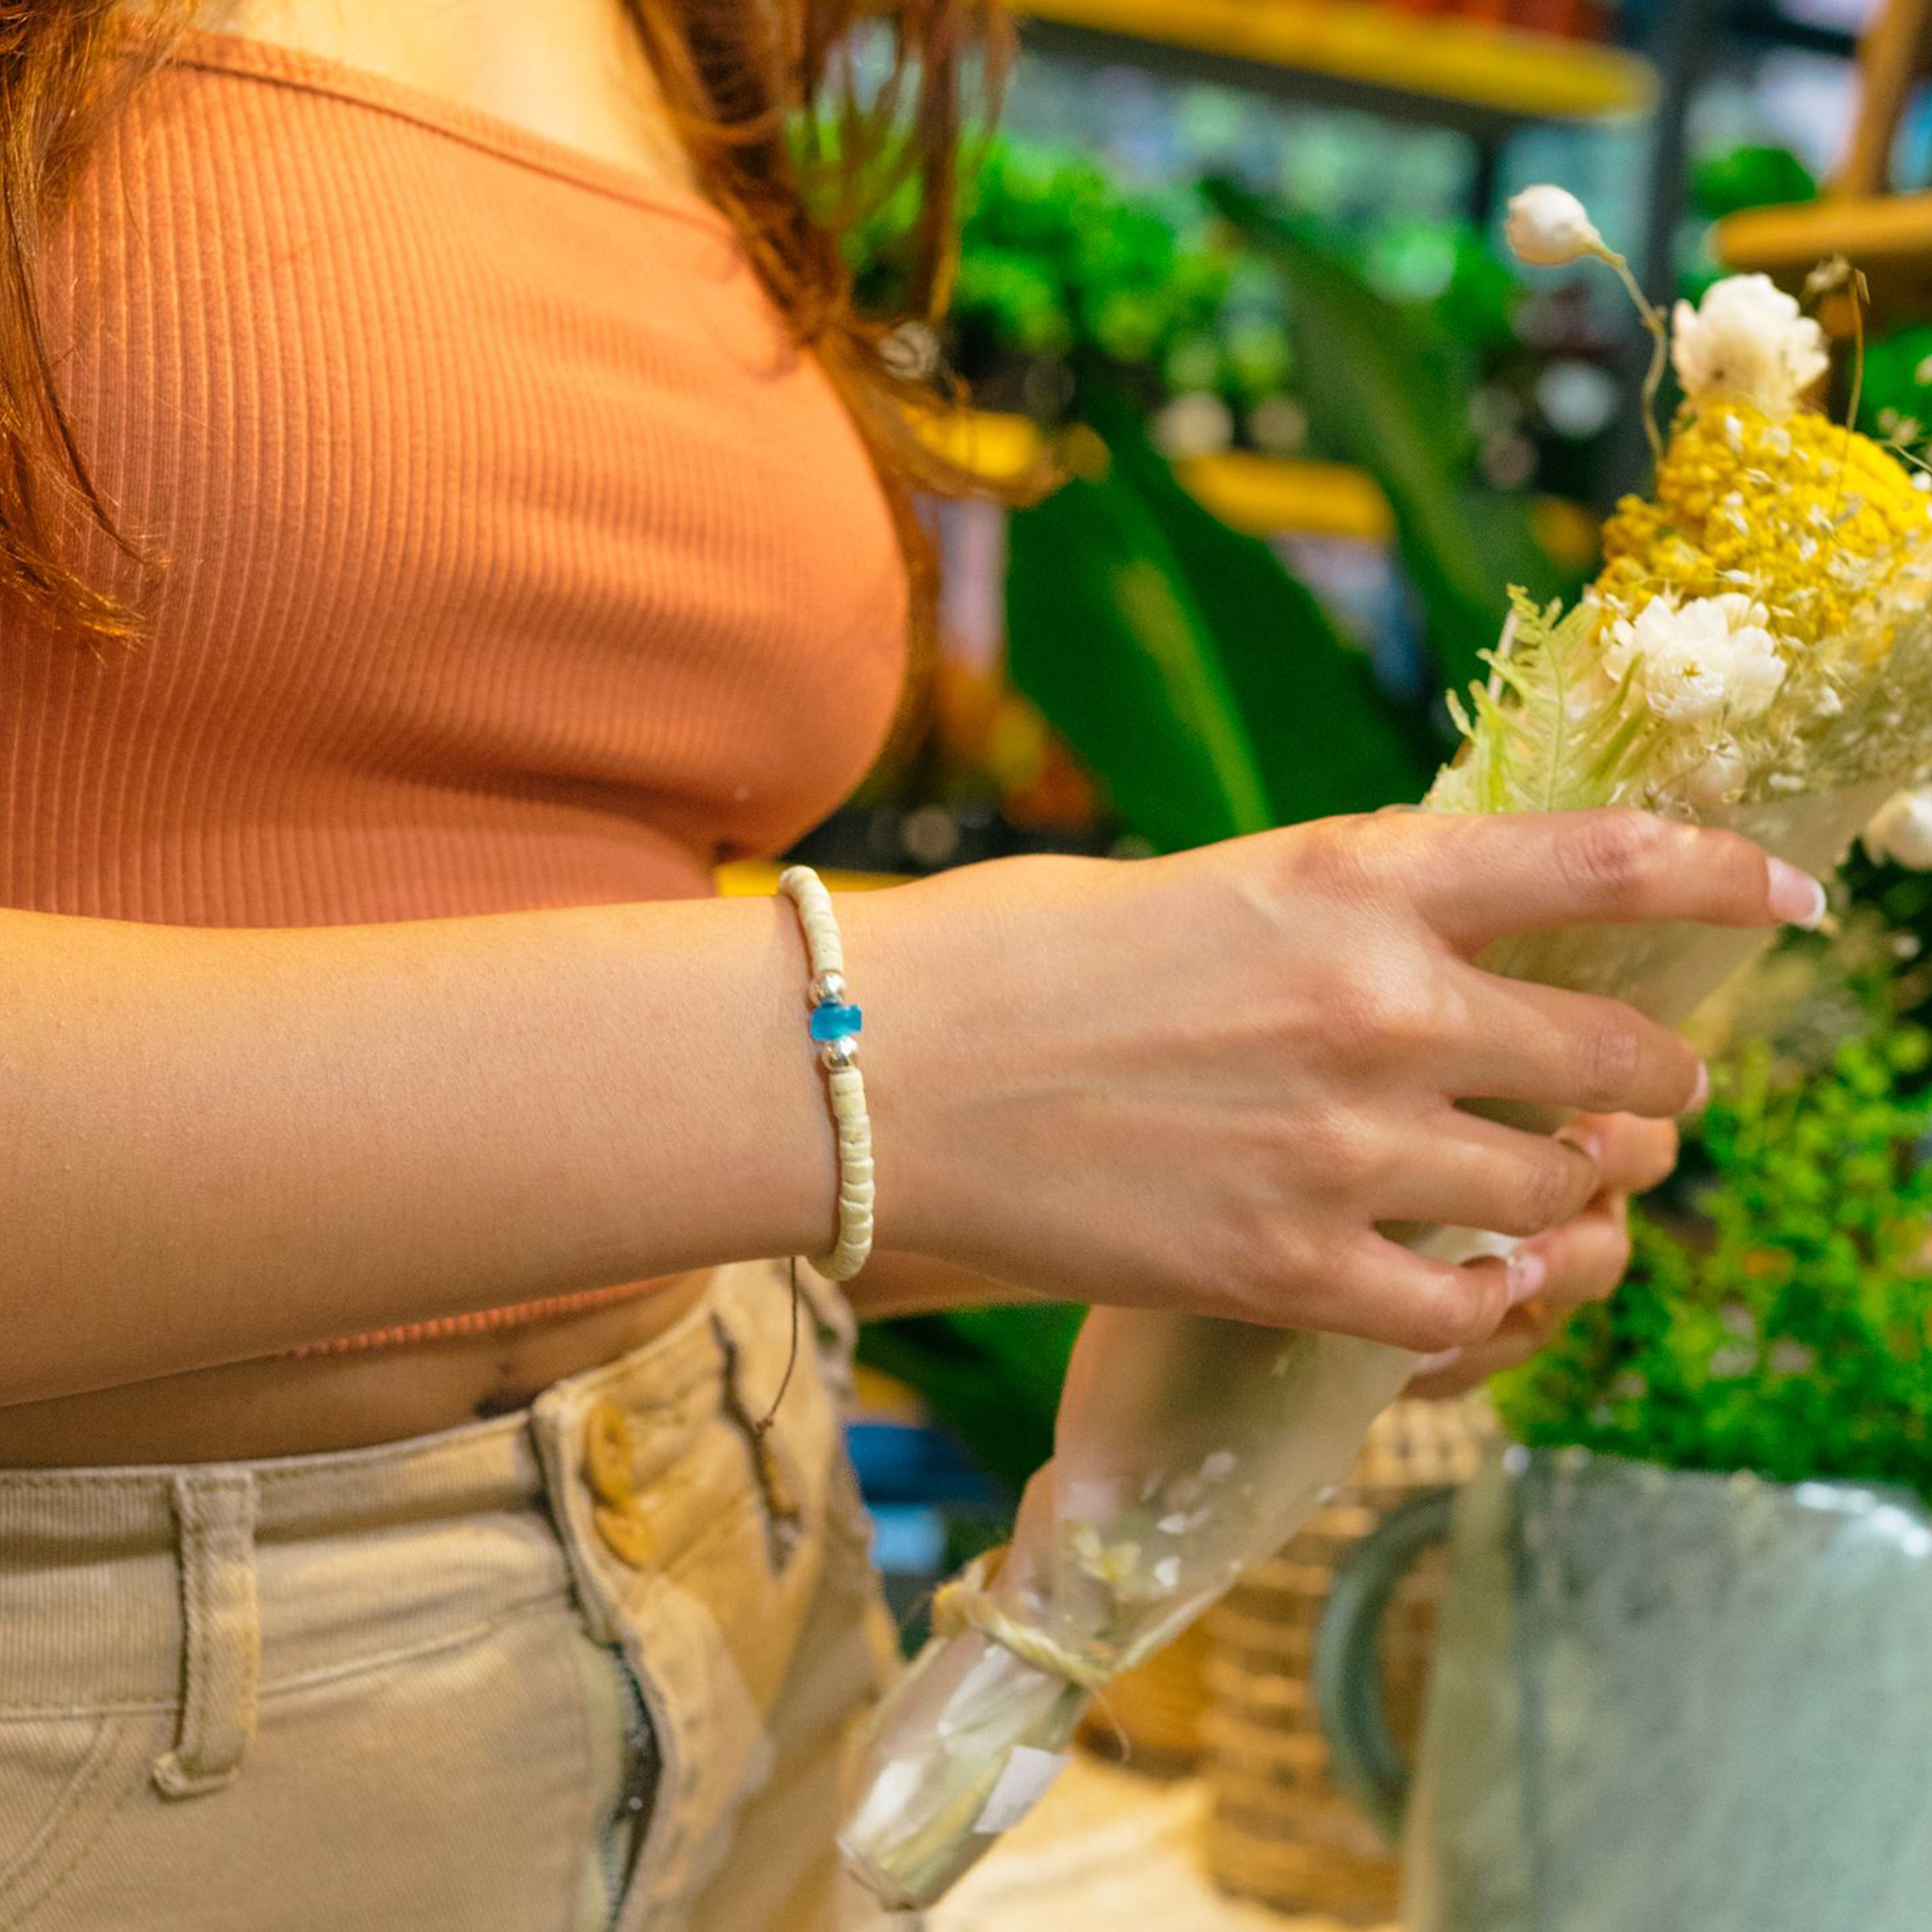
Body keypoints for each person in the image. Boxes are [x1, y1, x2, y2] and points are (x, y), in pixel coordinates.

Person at [0, 2, 1826, 1928]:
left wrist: (1205, 1155)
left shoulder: (699, 39)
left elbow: (492, 992)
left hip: (747, 1601)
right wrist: (880, 1059)